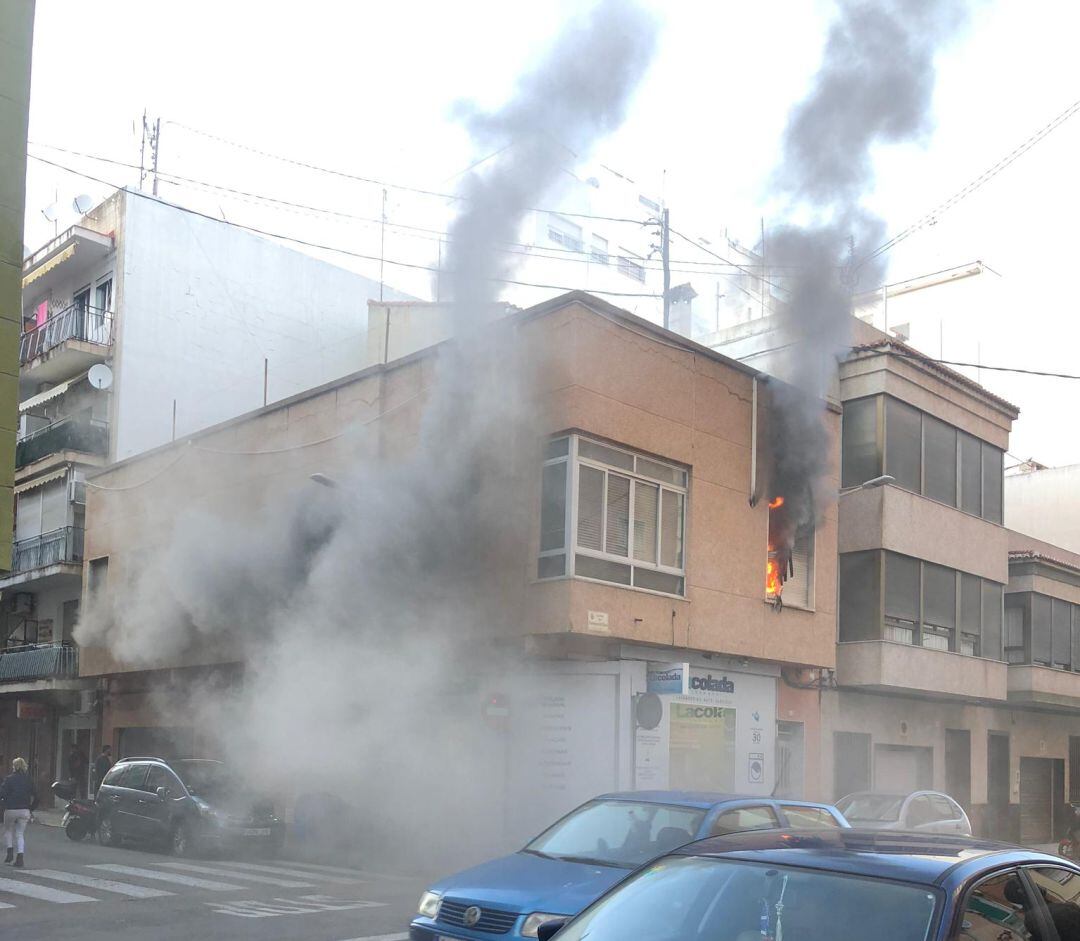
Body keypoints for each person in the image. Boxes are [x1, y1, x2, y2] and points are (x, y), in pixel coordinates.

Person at [0, 758, 37, 868]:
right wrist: (31, 808)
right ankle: (20, 857)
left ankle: (10, 851)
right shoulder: (29, 780)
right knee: (20, 833)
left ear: (14, 766)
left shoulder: (9, 779)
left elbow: (2, 794)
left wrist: (5, 803)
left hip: (10, 809)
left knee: (8, 830)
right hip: (24, 810)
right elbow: (37, 796)